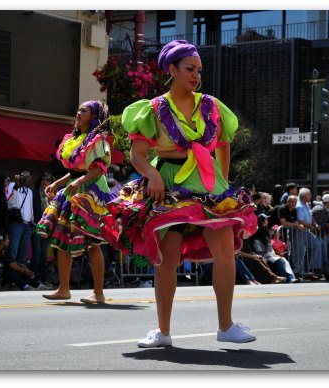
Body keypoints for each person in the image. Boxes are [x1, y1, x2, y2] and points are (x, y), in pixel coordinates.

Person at [100, 40, 258, 347]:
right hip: (168, 183)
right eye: (189, 69)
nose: (196, 75)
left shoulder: (211, 106)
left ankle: (226, 325)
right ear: (172, 70)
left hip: (207, 181)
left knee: (225, 252)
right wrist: (153, 175)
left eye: (198, 70)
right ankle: (163, 332)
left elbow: (224, 144)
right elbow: (138, 154)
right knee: (166, 258)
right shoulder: (154, 109)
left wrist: (221, 185)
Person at [37, 100, 116, 303]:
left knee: (92, 242)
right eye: (78, 109)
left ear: (94, 116)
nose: (78, 113)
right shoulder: (75, 139)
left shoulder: (99, 140)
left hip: (90, 193)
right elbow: (73, 172)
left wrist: (80, 181)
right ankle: (64, 288)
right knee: (63, 240)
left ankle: (99, 293)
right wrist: (56, 185)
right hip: (72, 191)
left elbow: (99, 168)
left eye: (84, 110)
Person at [31, 172, 55, 286]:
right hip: (37, 225)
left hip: (48, 227)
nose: (45, 182)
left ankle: (43, 279)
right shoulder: (35, 193)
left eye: (48, 180)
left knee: (44, 254)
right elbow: (34, 210)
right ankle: (35, 280)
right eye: (43, 179)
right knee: (37, 253)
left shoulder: (53, 195)